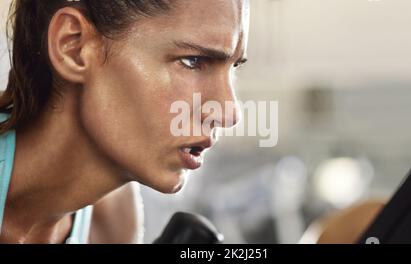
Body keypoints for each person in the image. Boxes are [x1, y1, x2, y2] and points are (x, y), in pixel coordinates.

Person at [0, 0, 248, 244]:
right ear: (73, 46)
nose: (229, 113)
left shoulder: (112, 218)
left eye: (234, 66)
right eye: (192, 61)